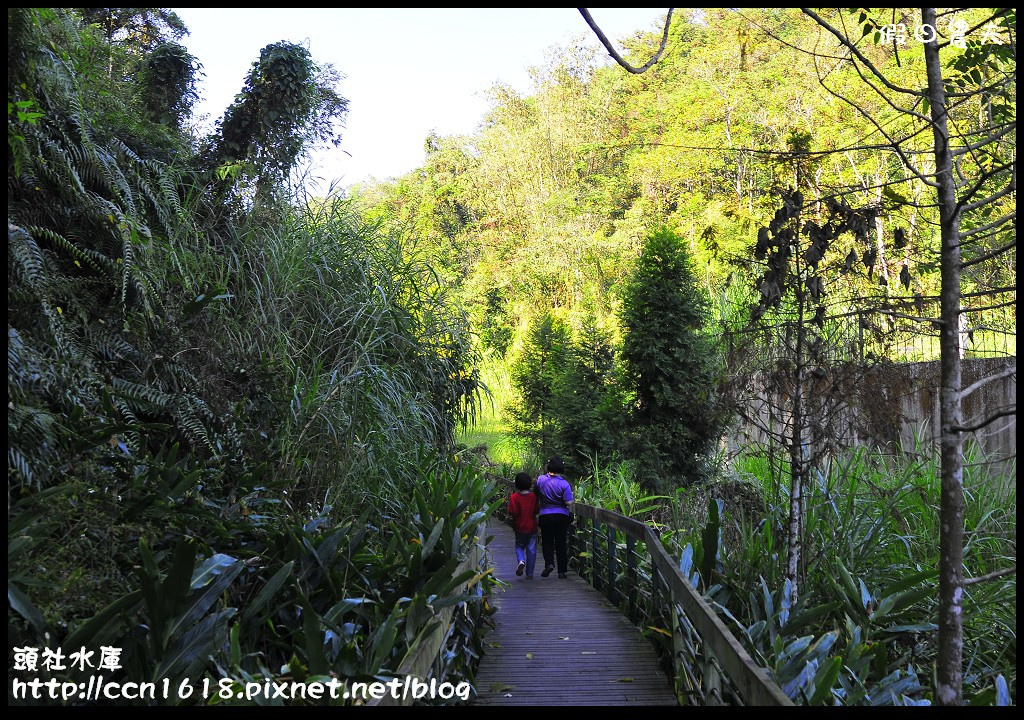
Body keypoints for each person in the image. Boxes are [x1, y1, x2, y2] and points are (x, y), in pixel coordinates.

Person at [535, 456, 573, 579]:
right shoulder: (564, 484)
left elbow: (536, 494)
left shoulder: (541, 480)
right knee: (561, 543)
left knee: (547, 541)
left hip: (545, 515)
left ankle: (549, 563)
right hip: (561, 516)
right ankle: (562, 571)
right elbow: (568, 502)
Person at [508, 471, 539, 579]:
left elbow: (512, 511)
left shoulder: (514, 497)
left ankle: (521, 560)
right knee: (531, 549)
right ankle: (529, 574)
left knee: (519, 546)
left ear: (517, 484)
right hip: (532, 527)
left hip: (519, 526)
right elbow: (536, 510)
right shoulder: (533, 497)